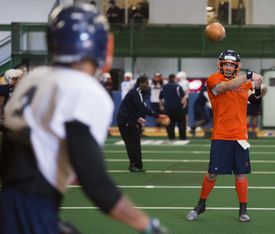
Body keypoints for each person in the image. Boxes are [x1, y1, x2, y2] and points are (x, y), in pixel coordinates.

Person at [0, 4, 168, 234]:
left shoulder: (33, 79)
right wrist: (147, 225)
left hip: (11, 202)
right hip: (32, 208)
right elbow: (96, 184)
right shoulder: (84, 90)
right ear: (101, 44)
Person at [186, 50, 264, 223]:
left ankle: (243, 210)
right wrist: (249, 76)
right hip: (221, 134)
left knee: (241, 174)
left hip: (240, 136)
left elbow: (255, 101)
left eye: (231, 65)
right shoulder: (214, 79)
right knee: (212, 174)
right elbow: (224, 87)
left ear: (237, 66)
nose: (228, 67)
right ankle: (201, 205)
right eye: (226, 64)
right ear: (220, 65)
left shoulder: (245, 84)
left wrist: (257, 86)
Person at [117, 75, 167, 172]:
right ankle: (134, 165)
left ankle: (137, 165)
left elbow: (133, 108)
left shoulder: (137, 92)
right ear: (140, 83)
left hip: (129, 120)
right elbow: (141, 107)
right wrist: (157, 115)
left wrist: (137, 117)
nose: (148, 86)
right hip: (125, 121)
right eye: (146, 83)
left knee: (135, 143)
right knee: (132, 143)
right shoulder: (137, 91)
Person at [159, 74, 186, 140]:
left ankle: (171, 137)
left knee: (169, 124)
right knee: (181, 123)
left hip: (168, 108)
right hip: (178, 108)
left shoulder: (164, 87)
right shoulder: (178, 86)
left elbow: (160, 98)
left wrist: (161, 106)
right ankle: (182, 137)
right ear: (174, 79)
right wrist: (183, 105)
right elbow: (183, 97)